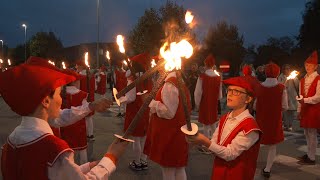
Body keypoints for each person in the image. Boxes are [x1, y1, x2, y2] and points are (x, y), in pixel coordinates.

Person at [0, 63, 129, 179]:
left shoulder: (10, 142)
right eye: (59, 94)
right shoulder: (54, 150)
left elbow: (54, 173)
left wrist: (86, 167)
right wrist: (111, 157)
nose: (61, 100)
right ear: (45, 101)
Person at [186, 76, 261, 180]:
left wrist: (204, 141)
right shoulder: (225, 118)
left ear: (248, 99)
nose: (230, 93)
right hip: (219, 172)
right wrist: (198, 142)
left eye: (236, 91)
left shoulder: (250, 127)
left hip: (237, 175)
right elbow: (214, 144)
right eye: (229, 90)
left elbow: (229, 154)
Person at [144, 69, 191, 180]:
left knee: (168, 169)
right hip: (177, 131)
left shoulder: (170, 83)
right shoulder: (177, 80)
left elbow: (169, 112)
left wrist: (151, 103)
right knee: (178, 168)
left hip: (170, 134)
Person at [255, 63, 288, 178]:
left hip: (261, 119)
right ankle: (268, 168)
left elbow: (255, 106)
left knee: (256, 142)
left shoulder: (259, 87)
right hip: (274, 119)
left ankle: (252, 163)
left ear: (266, 73)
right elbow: (285, 106)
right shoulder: (281, 87)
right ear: (278, 73)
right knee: (272, 145)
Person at [118, 53, 151, 171]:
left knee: (137, 139)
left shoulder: (133, 78)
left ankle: (137, 162)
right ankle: (143, 160)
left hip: (135, 110)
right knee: (144, 137)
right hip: (145, 110)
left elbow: (130, 98)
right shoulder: (148, 77)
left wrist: (120, 99)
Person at [194, 54, 222, 154]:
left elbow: (198, 92)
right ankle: (214, 145)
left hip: (205, 102)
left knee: (205, 124)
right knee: (213, 123)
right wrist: (217, 99)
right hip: (214, 102)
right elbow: (220, 94)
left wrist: (197, 103)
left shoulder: (202, 77)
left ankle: (207, 146)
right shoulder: (218, 77)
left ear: (205, 64)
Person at [296, 50, 320, 165]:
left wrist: (304, 100)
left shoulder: (319, 79)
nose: (307, 67)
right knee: (306, 132)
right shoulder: (302, 80)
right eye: (306, 65)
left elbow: (318, 97)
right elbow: (300, 95)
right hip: (305, 109)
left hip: (314, 109)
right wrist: (299, 110)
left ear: (315, 67)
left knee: (312, 133)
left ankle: (312, 158)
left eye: (310, 65)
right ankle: (309, 154)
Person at [76, 60, 96, 141]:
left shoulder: (79, 76)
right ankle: (90, 134)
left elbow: (77, 89)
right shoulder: (91, 76)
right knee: (89, 117)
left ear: (81, 66)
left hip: (83, 99)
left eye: (77, 66)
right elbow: (95, 88)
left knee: (83, 118)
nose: (76, 67)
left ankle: (84, 135)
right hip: (91, 98)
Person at [278, 64, 299, 131]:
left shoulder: (294, 77)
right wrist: (285, 82)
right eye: (286, 69)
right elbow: (279, 85)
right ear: (283, 70)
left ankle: (290, 124)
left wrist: (294, 79)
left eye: (288, 69)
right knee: (285, 111)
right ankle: (286, 124)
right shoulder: (281, 77)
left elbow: (297, 85)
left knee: (292, 112)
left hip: (292, 96)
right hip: (285, 96)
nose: (287, 70)